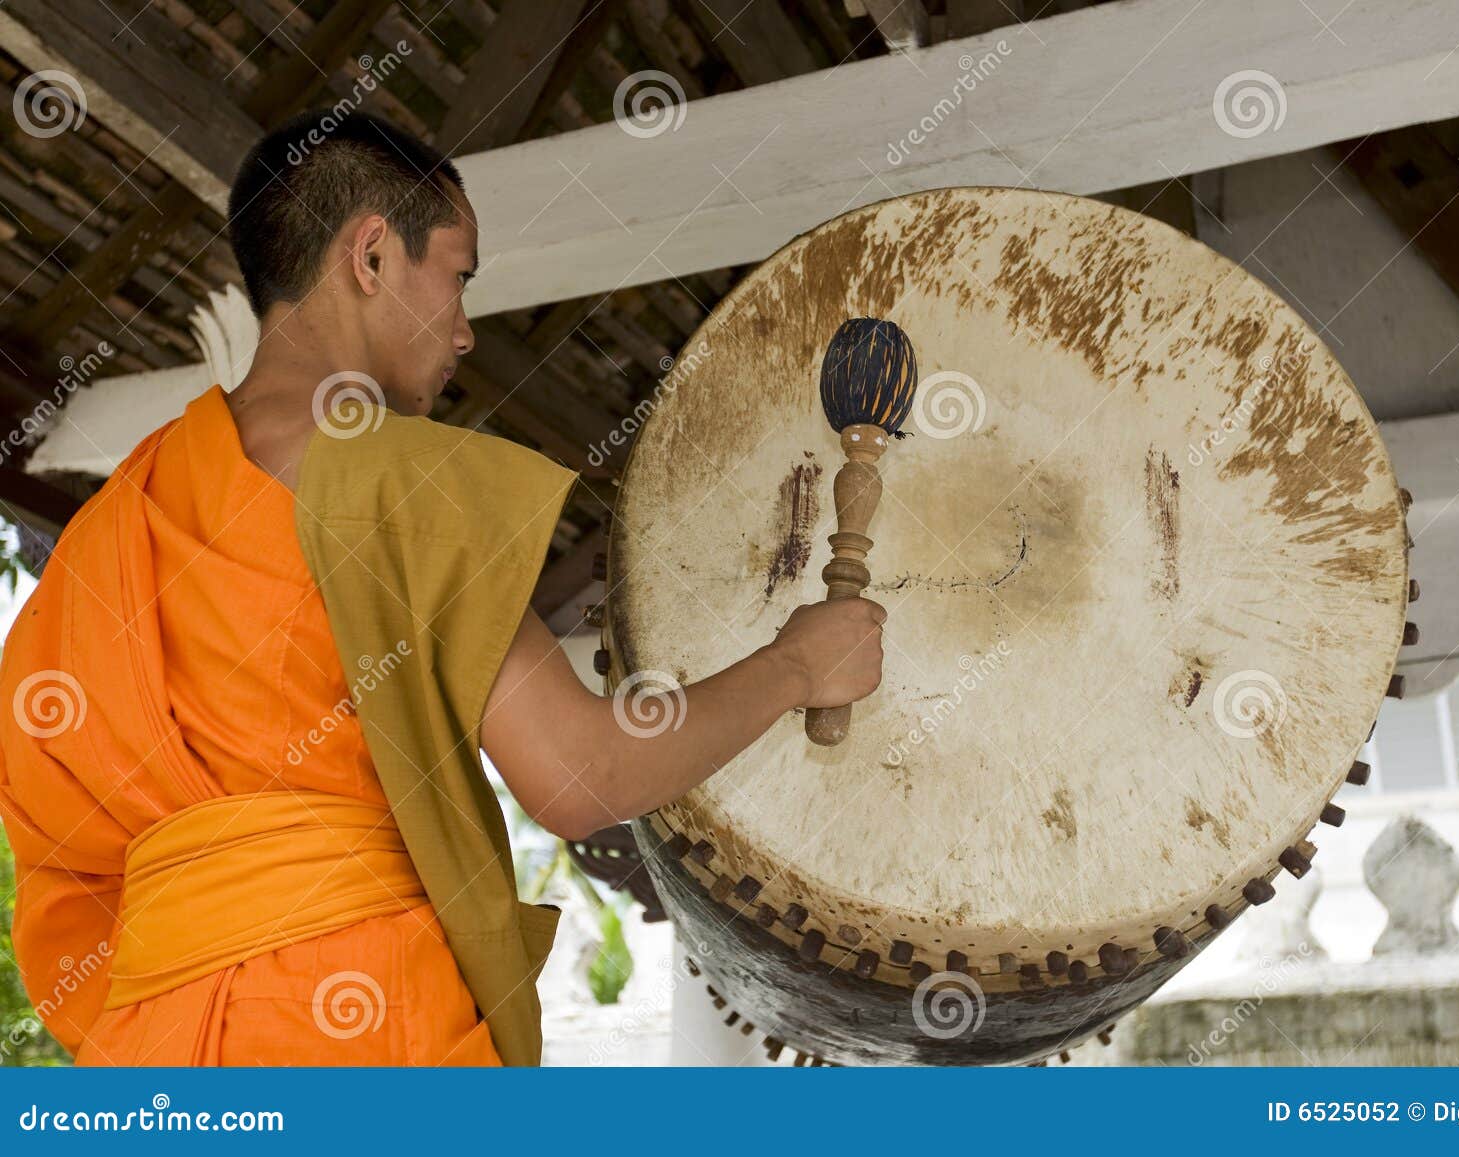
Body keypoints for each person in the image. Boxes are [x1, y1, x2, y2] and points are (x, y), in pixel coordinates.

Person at [0, 109, 884, 1066]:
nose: (464, 332)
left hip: (150, 1055)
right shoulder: (395, 477)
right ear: (371, 255)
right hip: (361, 1020)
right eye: (457, 276)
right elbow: (586, 777)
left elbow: (64, 853)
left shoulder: (105, 533)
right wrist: (799, 663)